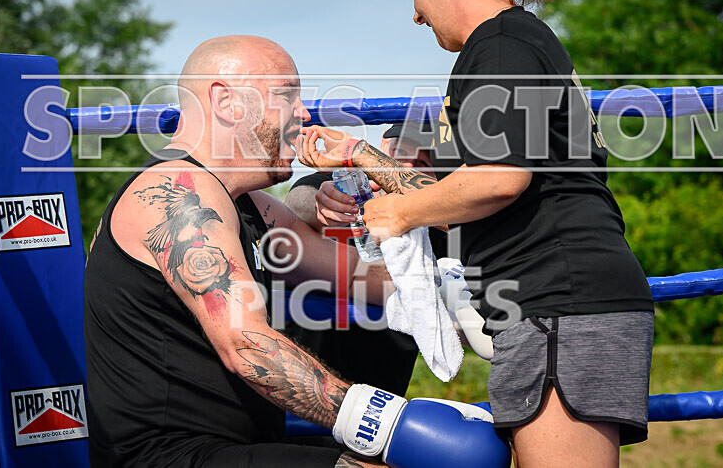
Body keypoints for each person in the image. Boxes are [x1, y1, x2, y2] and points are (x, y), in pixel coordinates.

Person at [297, 0, 654, 467]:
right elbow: (476, 188)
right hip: (556, 305)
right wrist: (360, 156)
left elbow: (500, 178)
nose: (416, 14)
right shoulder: (513, 43)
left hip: (560, 301)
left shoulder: (501, 44)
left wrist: (400, 213)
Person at [84, 35, 510, 468]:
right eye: (287, 95)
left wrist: (456, 296)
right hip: (166, 457)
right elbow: (247, 346)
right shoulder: (177, 195)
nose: (304, 113)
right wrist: (387, 423)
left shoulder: (250, 206)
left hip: (234, 446)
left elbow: (355, 276)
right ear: (226, 101)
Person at [282, 126, 441, 395]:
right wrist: (324, 206)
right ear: (380, 149)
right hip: (297, 384)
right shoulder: (341, 183)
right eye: (398, 155)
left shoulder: (439, 226)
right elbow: (298, 200)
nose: (403, 169)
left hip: (377, 400)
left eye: (423, 163)